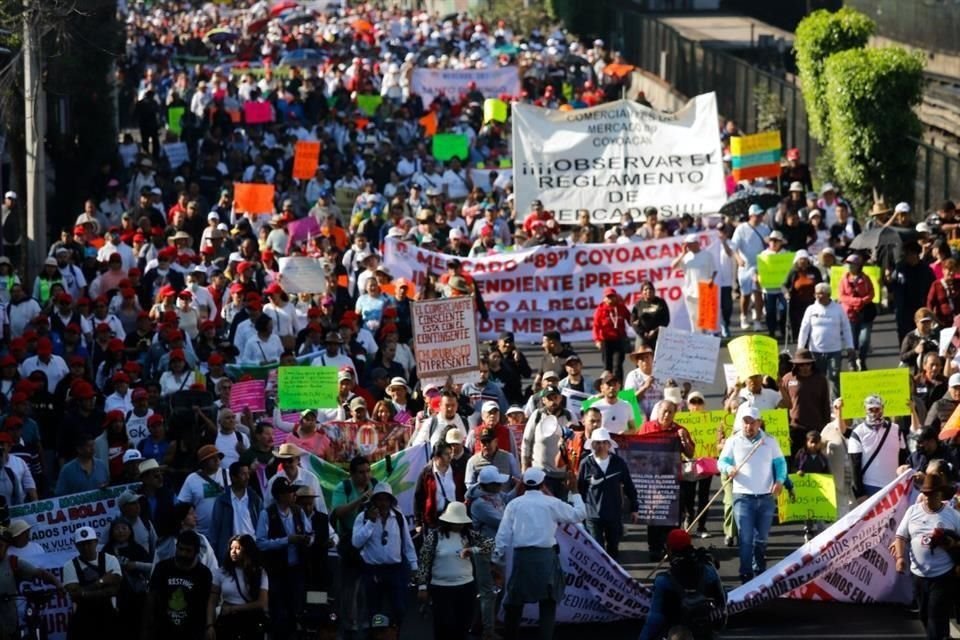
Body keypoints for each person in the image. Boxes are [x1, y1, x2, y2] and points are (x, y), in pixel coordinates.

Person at [494, 467, 586, 640]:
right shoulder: (551, 503)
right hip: (546, 559)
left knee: (514, 604)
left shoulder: (514, 505)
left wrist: (495, 560)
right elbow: (580, 514)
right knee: (548, 605)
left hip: (523, 559)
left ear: (524, 484)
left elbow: (503, 535)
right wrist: (575, 492)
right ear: (543, 483)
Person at [717, 407, 787, 583]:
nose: (749, 426)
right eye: (746, 422)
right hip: (743, 497)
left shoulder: (770, 441)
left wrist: (779, 480)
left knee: (761, 539)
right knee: (746, 538)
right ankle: (746, 573)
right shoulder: (733, 441)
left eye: (752, 422)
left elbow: (781, 464)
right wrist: (728, 468)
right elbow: (722, 461)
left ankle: (760, 570)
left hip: (766, 497)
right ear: (741, 422)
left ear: (759, 422)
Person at [894, 472, 960, 640]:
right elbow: (901, 536)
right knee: (924, 615)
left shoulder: (953, 515)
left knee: (935, 615)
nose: (928, 498)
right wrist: (900, 558)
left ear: (940, 494)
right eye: (926, 494)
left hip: (943, 575)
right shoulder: (913, 511)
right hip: (919, 575)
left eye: (932, 494)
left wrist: (951, 543)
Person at [415, 502, 493, 640]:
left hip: (466, 587)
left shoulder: (469, 535)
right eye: (455, 522)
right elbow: (424, 561)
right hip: (441, 588)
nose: (459, 525)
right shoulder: (434, 537)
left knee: (462, 625)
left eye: (461, 522)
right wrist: (422, 586)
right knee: (443, 626)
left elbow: (491, 544)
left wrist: (472, 550)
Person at [351, 482, 418, 633]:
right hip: (373, 570)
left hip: (395, 570)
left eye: (385, 499)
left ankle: (393, 634)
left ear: (390, 501)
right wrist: (371, 522)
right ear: (374, 501)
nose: (382, 503)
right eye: (379, 499)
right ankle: (376, 636)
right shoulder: (363, 517)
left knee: (399, 608)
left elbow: (407, 543)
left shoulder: (399, 518)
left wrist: (414, 566)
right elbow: (356, 543)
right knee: (375, 610)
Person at [638, 529, 725, 640]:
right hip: (705, 632)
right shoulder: (709, 571)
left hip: (677, 634)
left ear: (669, 550)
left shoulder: (663, 580)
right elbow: (722, 601)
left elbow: (655, 619)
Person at [255, 476, 311, 639]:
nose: (294, 495)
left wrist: (307, 539)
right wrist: (287, 541)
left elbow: (309, 531)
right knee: (278, 612)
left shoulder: (298, 511)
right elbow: (261, 543)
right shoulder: (267, 514)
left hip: (296, 570)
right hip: (276, 571)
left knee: (296, 609)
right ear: (279, 495)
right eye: (289, 492)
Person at [640, 400, 695, 559]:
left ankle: (672, 548)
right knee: (654, 516)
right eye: (664, 411)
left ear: (674, 414)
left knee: (673, 517)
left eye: (670, 412)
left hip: (673, 481)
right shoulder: (647, 428)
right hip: (652, 481)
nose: (666, 415)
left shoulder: (680, 430)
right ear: (658, 412)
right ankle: (654, 548)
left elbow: (691, 454)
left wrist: (684, 440)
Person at [466, 465, 516, 640]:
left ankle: (486, 623)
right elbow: (502, 522)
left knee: (497, 589)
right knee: (488, 591)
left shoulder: (493, 495)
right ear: (490, 485)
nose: (502, 485)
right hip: (484, 551)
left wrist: (521, 486)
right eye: (498, 483)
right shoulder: (480, 504)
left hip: (496, 550)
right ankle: (487, 631)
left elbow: (508, 498)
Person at [576, 427, 639, 559]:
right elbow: (580, 488)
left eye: (604, 442)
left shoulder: (618, 462)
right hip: (593, 516)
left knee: (613, 549)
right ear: (592, 444)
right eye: (597, 443)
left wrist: (634, 508)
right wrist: (583, 508)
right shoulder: (586, 463)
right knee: (596, 551)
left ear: (609, 444)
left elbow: (628, 485)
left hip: (614, 514)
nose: (601, 446)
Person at [329, 455, 374, 638]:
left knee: (368, 583)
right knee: (349, 585)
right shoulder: (344, 488)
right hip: (349, 541)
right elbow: (338, 512)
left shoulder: (375, 484)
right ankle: (350, 623)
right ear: (352, 474)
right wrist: (360, 500)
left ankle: (367, 620)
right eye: (361, 473)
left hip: (370, 541)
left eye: (368, 471)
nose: (366, 476)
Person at [144, 530, 214, 640]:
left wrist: (209, 626)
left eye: (188, 551)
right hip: (163, 630)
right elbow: (152, 596)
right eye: (180, 549)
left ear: (196, 551)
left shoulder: (204, 574)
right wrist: (147, 626)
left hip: (192, 632)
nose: (183, 554)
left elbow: (208, 602)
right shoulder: (162, 568)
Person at [0, 527, 63, 639]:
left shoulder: (12, 561)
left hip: (10, 622)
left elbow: (39, 573)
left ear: (6, 546)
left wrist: (57, 584)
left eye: (1, 545)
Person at [797, 282, 855, 398]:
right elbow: (804, 329)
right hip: (815, 351)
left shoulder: (838, 309)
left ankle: (835, 403)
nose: (818, 296)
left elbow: (846, 328)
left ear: (828, 294)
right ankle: (818, 401)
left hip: (834, 350)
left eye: (821, 294)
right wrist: (800, 347)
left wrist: (850, 346)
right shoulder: (811, 309)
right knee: (817, 377)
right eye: (816, 294)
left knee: (834, 376)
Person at [63, 526, 122, 640]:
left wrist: (84, 593)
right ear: (76, 545)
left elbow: (114, 588)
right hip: (83, 618)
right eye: (82, 544)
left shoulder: (110, 559)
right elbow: (74, 593)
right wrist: (102, 581)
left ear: (96, 542)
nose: (86, 547)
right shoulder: (69, 566)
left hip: (108, 615)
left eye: (89, 543)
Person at [208, 534, 269, 640]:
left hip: (250, 622)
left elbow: (262, 602)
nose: (233, 551)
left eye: (238, 548)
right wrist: (209, 625)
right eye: (231, 548)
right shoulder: (222, 572)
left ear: (247, 550)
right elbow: (212, 601)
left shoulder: (259, 573)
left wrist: (234, 608)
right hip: (228, 622)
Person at [848, 395, 908, 500]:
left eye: (877, 409)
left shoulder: (896, 430)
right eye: (871, 409)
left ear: (883, 408)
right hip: (870, 487)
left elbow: (903, 458)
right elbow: (854, 465)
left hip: (894, 486)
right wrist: (860, 493)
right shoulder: (857, 433)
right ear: (865, 410)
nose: (874, 413)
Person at [779, 348, 831, 460]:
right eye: (801, 365)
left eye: (808, 364)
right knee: (794, 460)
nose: (805, 367)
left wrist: (827, 427)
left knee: (815, 460)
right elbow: (781, 403)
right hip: (794, 428)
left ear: (812, 364)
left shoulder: (820, 379)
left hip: (815, 427)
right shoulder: (787, 379)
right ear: (796, 365)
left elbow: (825, 404)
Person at [209, 462, 263, 563]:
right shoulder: (222, 500)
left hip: (252, 549)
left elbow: (262, 524)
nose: (247, 477)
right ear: (233, 477)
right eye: (243, 474)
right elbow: (215, 528)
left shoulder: (255, 498)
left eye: (248, 473)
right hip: (231, 551)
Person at [177, 444, 228, 539]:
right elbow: (182, 505)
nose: (217, 460)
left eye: (218, 457)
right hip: (201, 533)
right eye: (212, 458)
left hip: (225, 531)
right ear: (203, 462)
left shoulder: (228, 475)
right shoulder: (192, 479)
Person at [838, 254, 875, 371]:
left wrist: (862, 301)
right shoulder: (844, 280)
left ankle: (862, 359)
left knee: (864, 340)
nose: (849, 267)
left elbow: (871, 293)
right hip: (850, 315)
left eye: (852, 264)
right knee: (851, 341)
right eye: (848, 264)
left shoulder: (865, 278)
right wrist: (856, 301)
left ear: (858, 266)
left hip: (865, 314)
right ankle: (852, 362)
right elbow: (842, 296)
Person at [672, 233, 716, 331]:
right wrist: (682, 254)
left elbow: (714, 270)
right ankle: (696, 336)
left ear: (697, 243)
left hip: (705, 289)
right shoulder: (685, 257)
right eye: (687, 244)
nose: (688, 246)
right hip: (689, 291)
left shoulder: (707, 255)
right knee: (693, 316)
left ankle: (707, 336)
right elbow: (673, 266)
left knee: (705, 316)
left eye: (690, 244)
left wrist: (711, 280)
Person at [821, 399, 855, 518]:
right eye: (837, 407)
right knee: (841, 508)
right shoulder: (828, 429)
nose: (840, 410)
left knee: (857, 509)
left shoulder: (860, 427)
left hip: (857, 477)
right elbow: (819, 448)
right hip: (838, 475)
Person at [795, 431, 830, 542]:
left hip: (818, 489)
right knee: (808, 511)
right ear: (807, 442)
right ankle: (808, 530)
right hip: (806, 489)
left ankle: (821, 531)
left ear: (820, 443)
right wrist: (798, 472)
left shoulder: (822, 457)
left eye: (816, 443)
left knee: (819, 511)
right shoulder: (801, 455)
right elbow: (794, 467)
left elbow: (827, 472)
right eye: (811, 442)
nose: (814, 445)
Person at [592, 287, 630, 381]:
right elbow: (596, 326)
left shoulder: (621, 307)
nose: (610, 299)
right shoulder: (600, 310)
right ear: (604, 298)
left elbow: (630, 319)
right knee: (607, 367)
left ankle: (620, 389)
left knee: (617, 366)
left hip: (619, 340)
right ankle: (608, 388)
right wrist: (597, 340)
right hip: (606, 341)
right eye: (608, 297)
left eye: (612, 296)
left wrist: (637, 323)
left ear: (616, 297)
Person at [630, 281, 670, 350]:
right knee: (641, 358)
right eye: (645, 289)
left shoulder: (660, 302)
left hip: (658, 335)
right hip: (642, 336)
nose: (648, 291)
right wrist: (643, 333)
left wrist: (655, 331)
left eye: (651, 289)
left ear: (654, 291)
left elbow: (666, 320)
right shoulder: (638, 305)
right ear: (642, 292)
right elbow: (633, 322)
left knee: (658, 358)